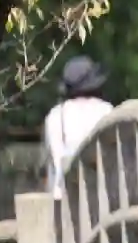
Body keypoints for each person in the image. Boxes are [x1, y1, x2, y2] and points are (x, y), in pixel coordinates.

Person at [44, 56, 115, 199]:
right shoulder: (106, 110)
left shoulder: (55, 115)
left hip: (64, 197)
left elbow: (52, 161)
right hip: (102, 196)